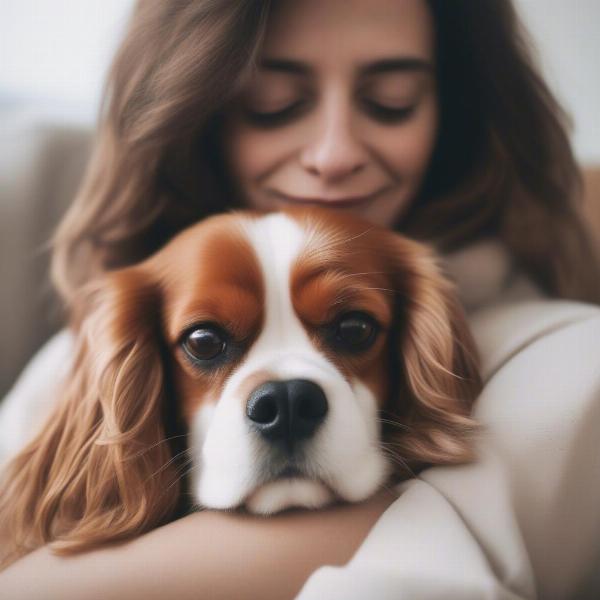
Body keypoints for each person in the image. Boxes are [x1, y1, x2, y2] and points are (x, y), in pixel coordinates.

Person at [1, 0, 600, 598]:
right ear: (200, 109)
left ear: (455, 111)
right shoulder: (100, 333)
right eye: (274, 104)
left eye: (391, 100)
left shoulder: (551, 352)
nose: (334, 155)